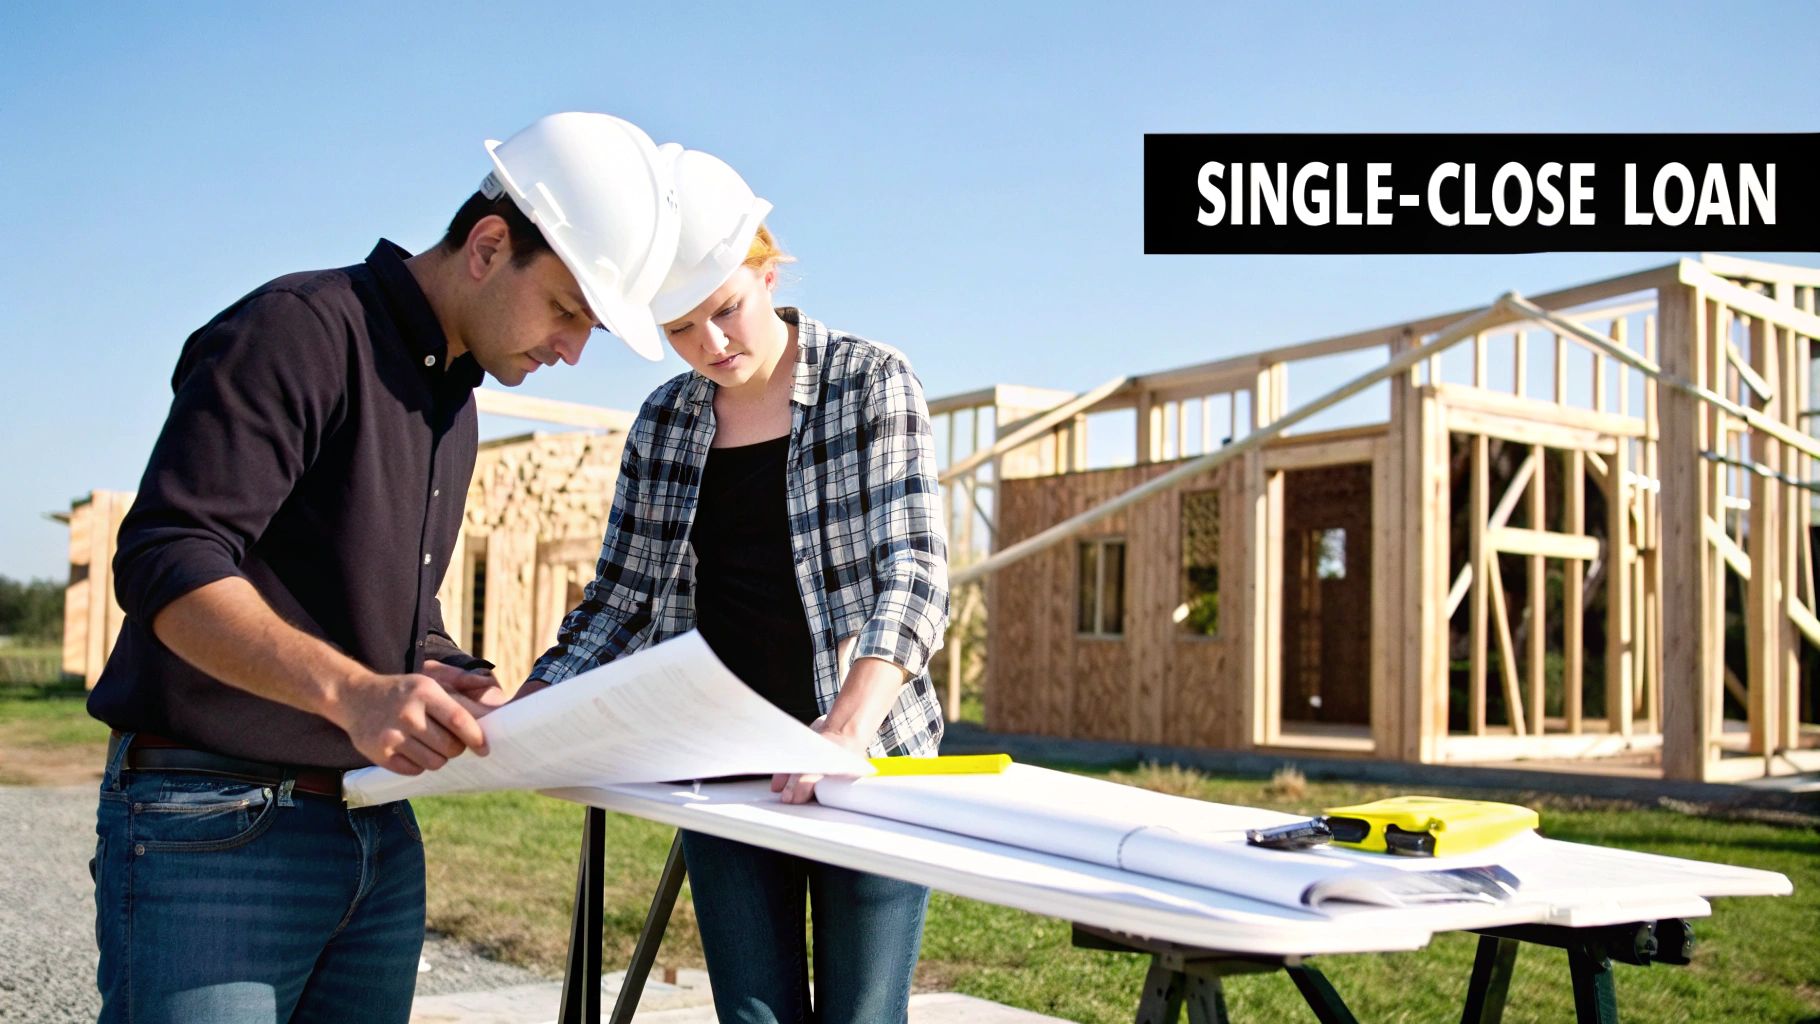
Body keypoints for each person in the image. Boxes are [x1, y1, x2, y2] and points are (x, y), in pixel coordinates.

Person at [85, 112, 683, 1024]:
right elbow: (169, 557)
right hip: (215, 829)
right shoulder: (299, 333)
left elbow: (390, 614)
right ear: (488, 245)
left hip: (374, 835)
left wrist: (451, 676)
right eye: (566, 310)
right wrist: (354, 694)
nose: (572, 348)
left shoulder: (455, 403)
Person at [521, 148, 949, 1024]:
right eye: (680, 330)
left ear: (767, 268)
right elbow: (622, 598)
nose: (710, 346)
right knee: (754, 1018)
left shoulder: (871, 382)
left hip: (866, 760)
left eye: (725, 312)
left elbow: (913, 571)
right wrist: (532, 711)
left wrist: (847, 728)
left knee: (862, 1019)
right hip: (718, 763)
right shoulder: (666, 421)